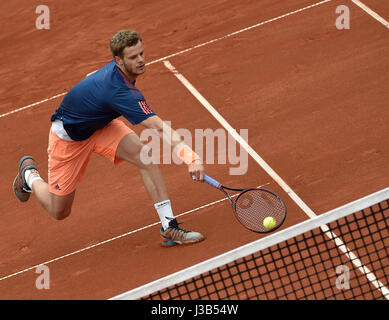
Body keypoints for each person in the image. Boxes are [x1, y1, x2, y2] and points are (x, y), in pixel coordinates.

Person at [13, 30, 205, 246]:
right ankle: (29, 175)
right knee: (59, 211)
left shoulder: (116, 77)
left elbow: (90, 78)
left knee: (144, 156)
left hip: (100, 125)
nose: (141, 60)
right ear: (118, 60)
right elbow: (159, 128)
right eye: (133, 57)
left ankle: (169, 227)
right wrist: (191, 157)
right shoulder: (120, 93)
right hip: (68, 139)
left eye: (141, 53)